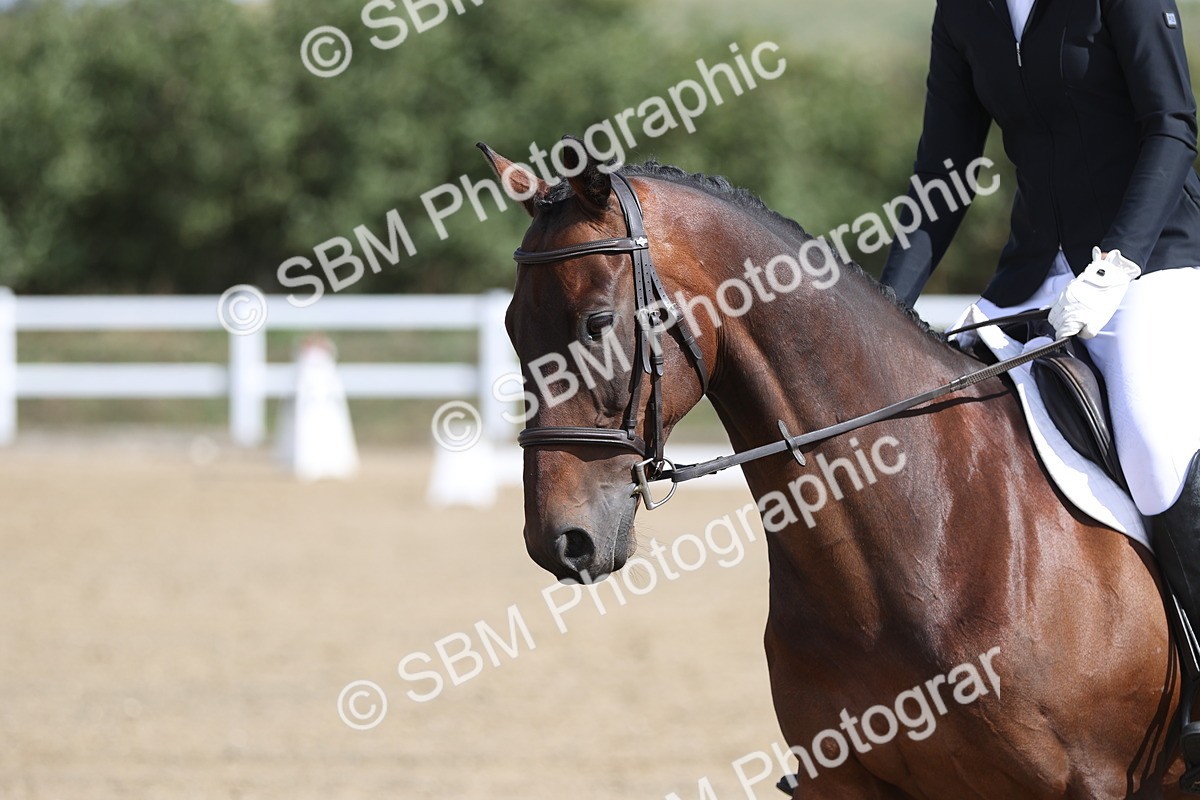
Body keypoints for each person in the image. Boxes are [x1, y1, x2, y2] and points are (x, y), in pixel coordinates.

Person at [880, 0, 1200, 785]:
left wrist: (1116, 264)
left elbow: (1173, 126)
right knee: (931, 435)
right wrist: (885, 305)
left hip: (1151, 267)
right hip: (1031, 278)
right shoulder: (964, 11)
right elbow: (943, 173)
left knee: (1158, 451)